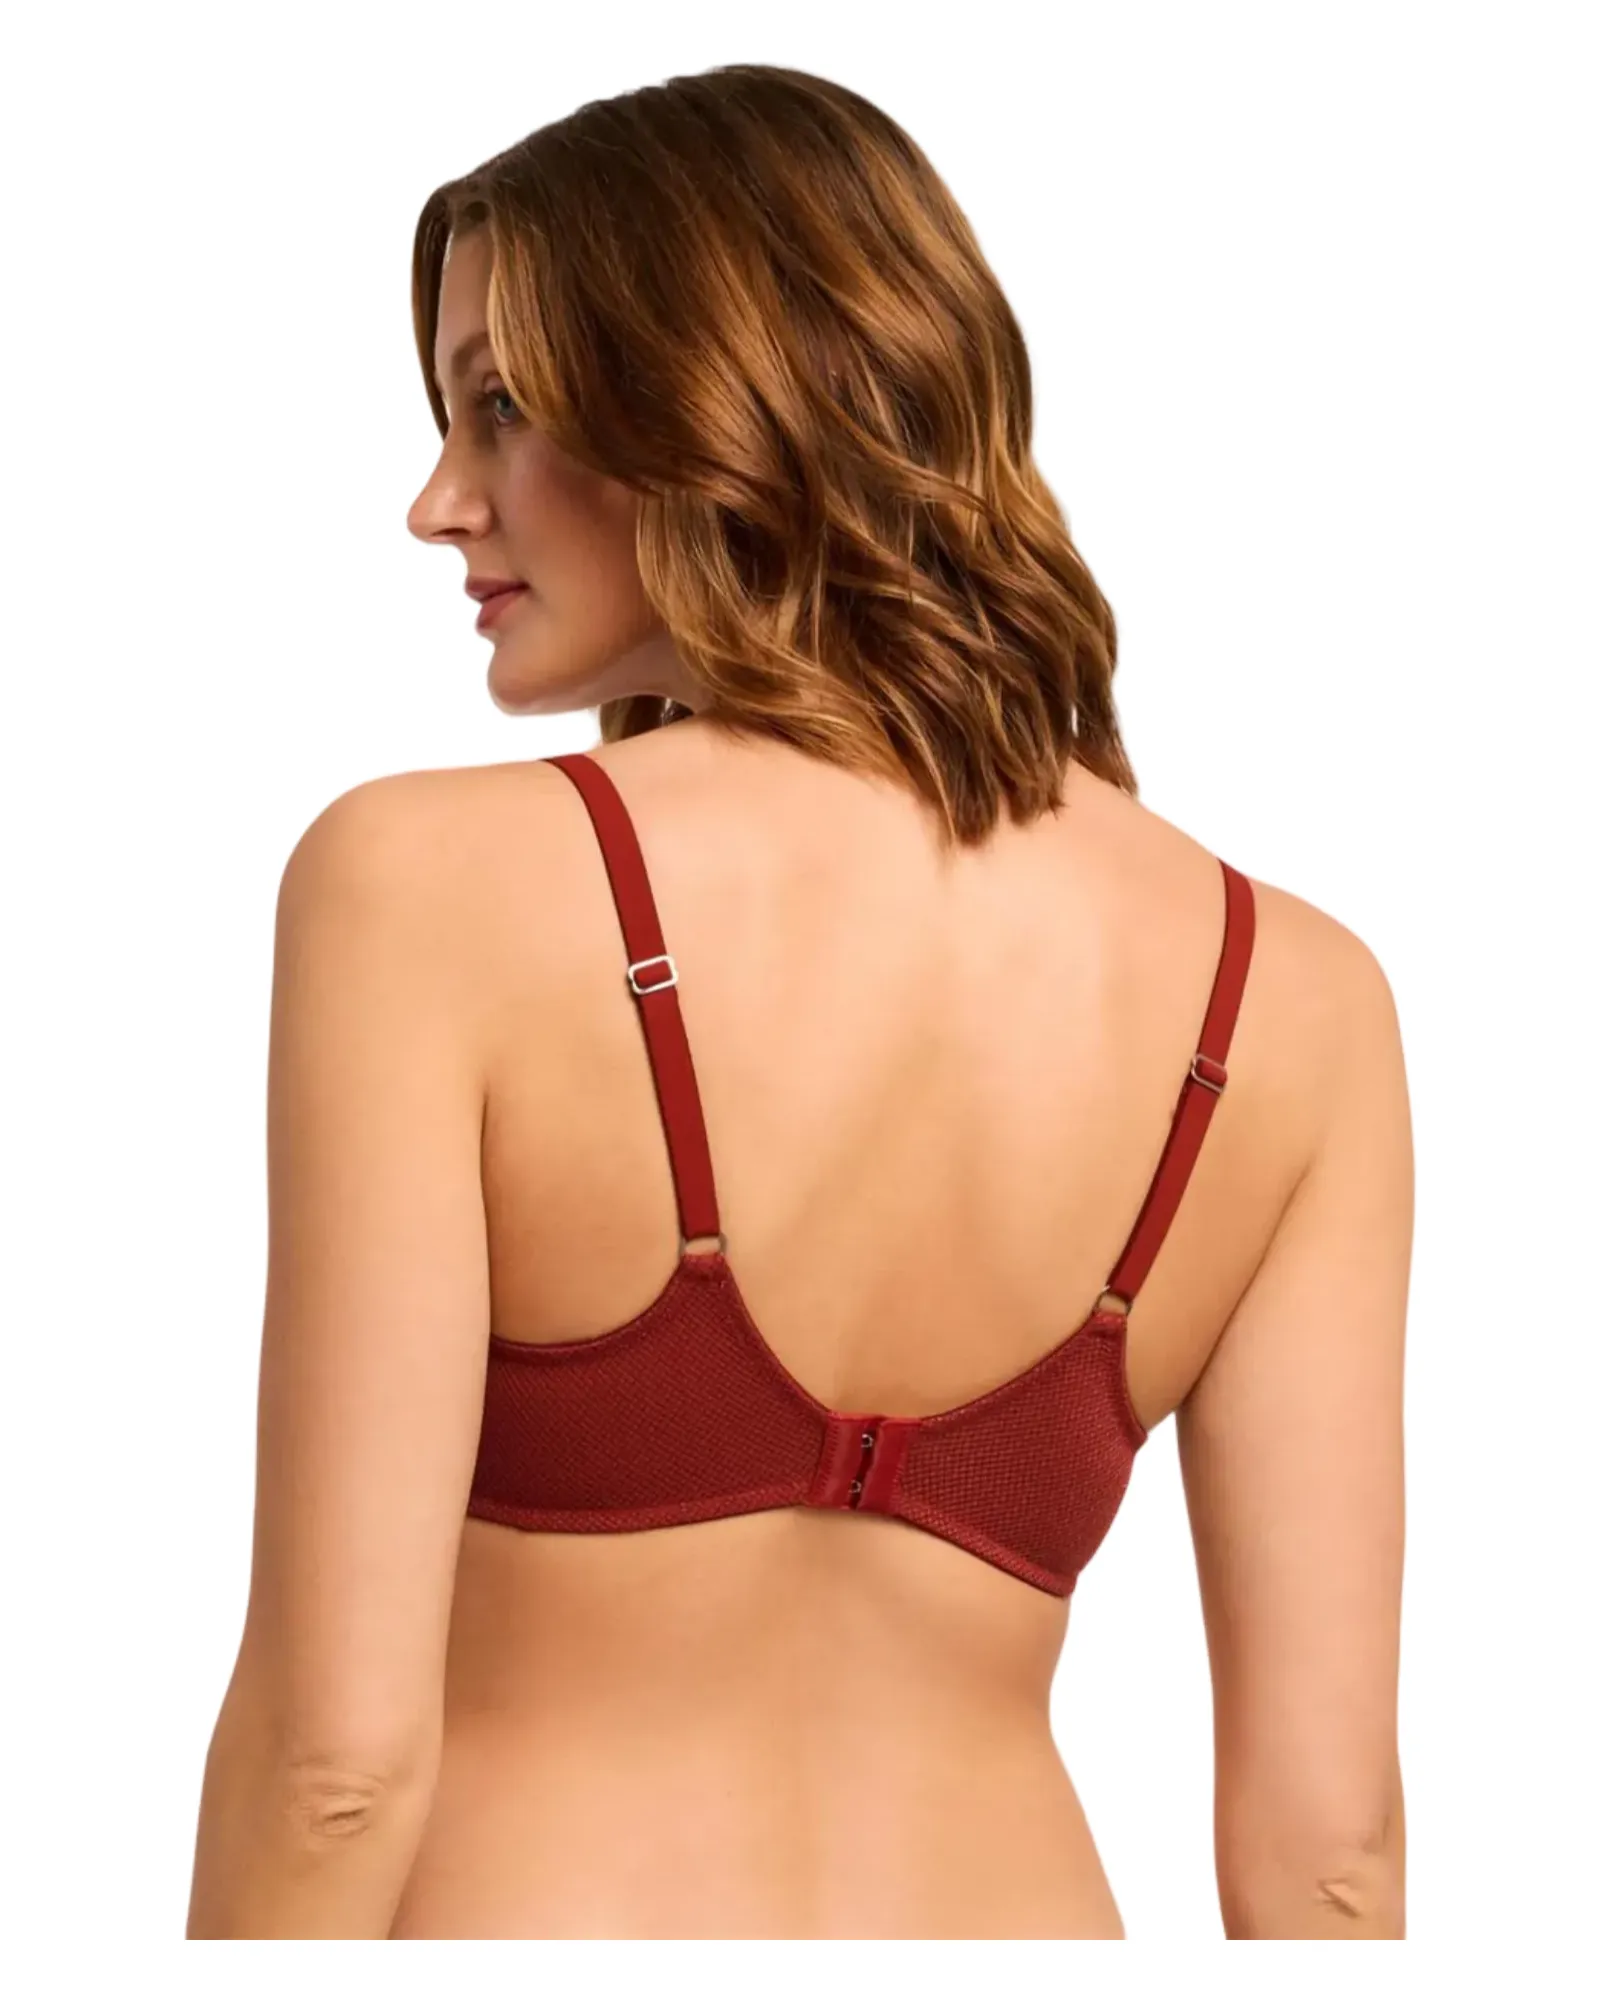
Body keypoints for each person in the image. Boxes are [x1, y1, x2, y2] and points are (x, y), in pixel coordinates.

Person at [185, 63, 1410, 1940]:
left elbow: (332, 1763)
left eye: (501, 406)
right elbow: (1329, 1854)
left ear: (720, 400)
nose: (439, 501)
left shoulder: (425, 889)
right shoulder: (1296, 1003)